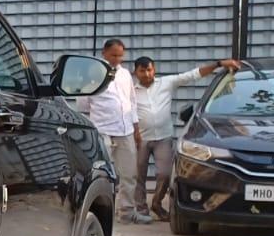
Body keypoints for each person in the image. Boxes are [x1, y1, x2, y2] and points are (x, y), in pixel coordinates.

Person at [133, 56, 241, 219]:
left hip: (163, 137)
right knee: (138, 175)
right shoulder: (131, 90)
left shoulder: (166, 83)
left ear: (154, 69)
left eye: (149, 70)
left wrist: (219, 64)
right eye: (142, 71)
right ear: (135, 72)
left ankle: (156, 203)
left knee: (165, 174)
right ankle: (141, 209)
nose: (147, 74)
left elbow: (193, 75)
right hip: (140, 138)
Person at [85, 38, 147, 223]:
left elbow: (131, 102)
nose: (117, 59)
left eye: (120, 56)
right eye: (113, 55)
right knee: (100, 174)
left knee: (129, 174)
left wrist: (136, 129)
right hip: (102, 129)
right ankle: (97, 212)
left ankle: (127, 212)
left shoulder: (125, 74)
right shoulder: (93, 72)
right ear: (104, 53)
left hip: (125, 130)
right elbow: (83, 103)